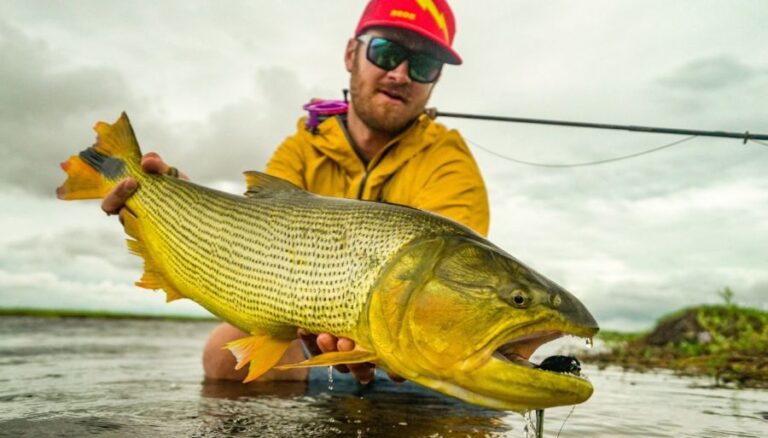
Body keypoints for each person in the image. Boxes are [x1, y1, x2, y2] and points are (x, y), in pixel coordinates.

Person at [102, 0, 489, 385]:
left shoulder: (451, 162)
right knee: (223, 358)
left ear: (434, 80)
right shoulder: (301, 146)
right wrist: (175, 205)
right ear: (352, 54)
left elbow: (446, 285)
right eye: (386, 53)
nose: (401, 74)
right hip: (309, 340)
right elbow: (252, 235)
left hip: (412, 359)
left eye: (423, 65)